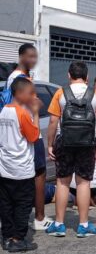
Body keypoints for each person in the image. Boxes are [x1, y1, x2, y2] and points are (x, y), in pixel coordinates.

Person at [45, 61, 96, 238]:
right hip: (87, 144)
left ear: (68, 75)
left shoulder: (60, 93)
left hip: (64, 143)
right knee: (83, 182)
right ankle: (83, 225)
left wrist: (50, 144)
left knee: (63, 182)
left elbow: (52, 122)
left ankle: (58, 224)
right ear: (87, 77)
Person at [5, 43, 53, 231]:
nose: (33, 60)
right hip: (27, 130)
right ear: (21, 57)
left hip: (19, 131)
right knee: (38, 173)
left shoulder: (15, 78)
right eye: (30, 57)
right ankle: (39, 217)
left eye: (35, 57)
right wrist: (35, 109)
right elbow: (23, 106)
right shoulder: (19, 79)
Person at [0, 78, 41, 252]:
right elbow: (33, 137)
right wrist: (36, 114)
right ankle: (18, 239)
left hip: (5, 166)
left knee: (6, 204)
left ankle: (7, 236)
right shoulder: (22, 113)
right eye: (30, 93)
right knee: (23, 205)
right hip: (21, 168)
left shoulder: (3, 112)